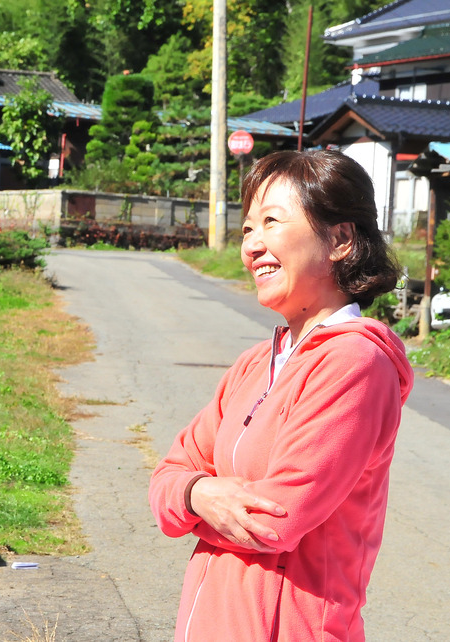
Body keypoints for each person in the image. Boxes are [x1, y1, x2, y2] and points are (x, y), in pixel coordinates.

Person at [148, 149, 414, 642]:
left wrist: (188, 503)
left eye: (271, 222)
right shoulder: (255, 363)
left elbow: (272, 522)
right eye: (248, 228)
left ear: (339, 239)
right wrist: (196, 493)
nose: (252, 246)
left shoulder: (354, 364)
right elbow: (167, 476)